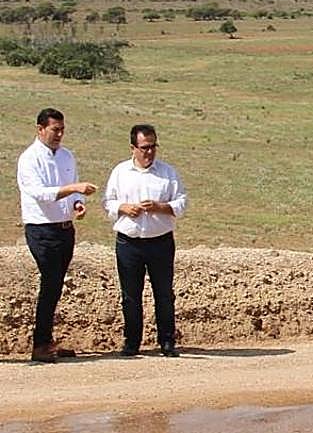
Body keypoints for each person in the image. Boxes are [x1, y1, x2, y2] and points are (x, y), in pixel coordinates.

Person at [16, 108, 97, 363]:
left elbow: (72, 188)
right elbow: (39, 193)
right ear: (40, 129)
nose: (59, 134)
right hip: (42, 228)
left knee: (55, 284)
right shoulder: (29, 159)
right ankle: (40, 343)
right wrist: (74, 188)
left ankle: (46, 339)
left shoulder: (66, 156)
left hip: (64, 228)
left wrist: (77, 202)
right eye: (54, 130)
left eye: (62, 129)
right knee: (50, 281)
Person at [102, 124, 188, 357]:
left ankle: (167, 341)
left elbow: (181, 203)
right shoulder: (120, 172)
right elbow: (107, 202)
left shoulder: (168, 173)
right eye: (144, 147)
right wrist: (123, 207)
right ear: (133, 148)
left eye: (153, 147)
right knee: (130, 295)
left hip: (160, 241)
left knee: (164, 293)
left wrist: (160, 207)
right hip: (129, 242)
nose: (149, 152)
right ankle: (132, 342)